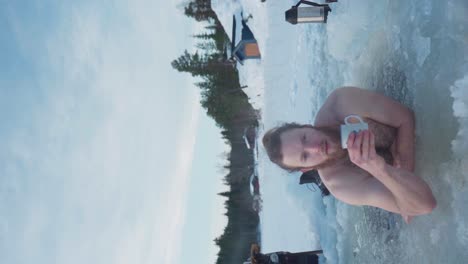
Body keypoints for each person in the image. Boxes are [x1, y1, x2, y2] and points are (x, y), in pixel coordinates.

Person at [262, 87, 437, 223]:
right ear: (307, 168)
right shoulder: (340, 185)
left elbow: (405, 117)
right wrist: (382, 171)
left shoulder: (340, 104)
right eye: (305, 156)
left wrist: (403, 167)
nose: (315, 147)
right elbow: (426, 205)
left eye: (305, 138)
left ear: (306, 126)